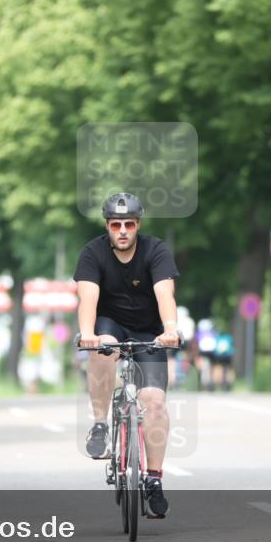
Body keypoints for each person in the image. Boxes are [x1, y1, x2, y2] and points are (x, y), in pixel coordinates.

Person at [75, 192, 180, 518]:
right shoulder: (92, 253)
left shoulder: (156, 250)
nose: (122, 230)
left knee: (155, 402)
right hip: (110, 324)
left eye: (129, 224)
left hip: (149, 330)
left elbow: (165, 293)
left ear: (138, 225)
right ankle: (100, 425)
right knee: (102, 349)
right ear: (107, 226)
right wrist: (88, 334)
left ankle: (154, 480)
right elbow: (87, 298)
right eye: (116, 224)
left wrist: (171, 328)